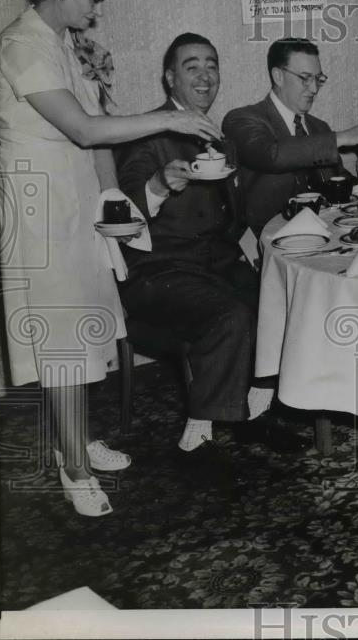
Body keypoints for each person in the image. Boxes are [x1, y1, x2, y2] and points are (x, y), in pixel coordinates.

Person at [0, 0, 222, 517]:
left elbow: (97, 142)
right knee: (62, 344)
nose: (97, 11)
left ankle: (76, 437)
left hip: (77, 205)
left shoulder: (66, 45)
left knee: (89, 333)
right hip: (41, 209)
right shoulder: (21, 47)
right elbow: (88, 128)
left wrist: (113, 205)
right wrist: (170, 116)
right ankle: (72, 466)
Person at [116, 33, 304, 478]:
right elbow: (121, 210)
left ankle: (252, 411)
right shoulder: (146, 133)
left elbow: (229, 216)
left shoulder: (220, 138)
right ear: (169, 78)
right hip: (159, 267)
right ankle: (196, 436)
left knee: (289, 299)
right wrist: (161, 184)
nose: (205, 76)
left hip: (215, 262)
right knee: (230, 316)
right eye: (191, 66)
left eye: (212, 65)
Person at [222, 37, 358, 234]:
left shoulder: (320, 128)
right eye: (305, 78)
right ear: (278, 76)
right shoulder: (242, 119)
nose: (314, 89)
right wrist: (338, 138)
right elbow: (271, 155)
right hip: (270, 243)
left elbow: (338, 180)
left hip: (325, 237)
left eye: (318, 79)